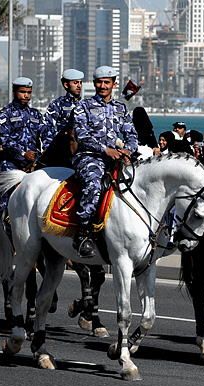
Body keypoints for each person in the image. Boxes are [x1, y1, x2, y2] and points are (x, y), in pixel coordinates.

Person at [72, 66, 138, 258]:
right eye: (99, 82)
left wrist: (128, 149)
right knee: (93, 184)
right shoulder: (83, 106)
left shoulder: (121, 108)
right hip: (89, 157)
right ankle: (82, 232)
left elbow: (131, 134)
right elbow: (81, 135)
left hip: (116, 157)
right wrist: (105, 150)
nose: (103, 86)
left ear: (114, 84)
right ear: (94, 84)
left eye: (106, 82)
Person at [0, 77, 51, 172]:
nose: (26, 96)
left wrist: (47, 150)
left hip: (34, 161)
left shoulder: (35, 114)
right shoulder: (5, 114)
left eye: (29, 92)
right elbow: (5, 140)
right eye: (22, 92)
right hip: (12, 162)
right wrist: (23, 153)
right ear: (14, 92)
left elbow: (46, 134)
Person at [42, 69, 84, 167]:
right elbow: (47, 127)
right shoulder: (57, 104)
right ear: (66, 85)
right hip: (61, 153)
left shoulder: (85, 105)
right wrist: (49, 150)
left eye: (80, 83)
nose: (79, 86)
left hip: (81, 152)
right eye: (75, 83)